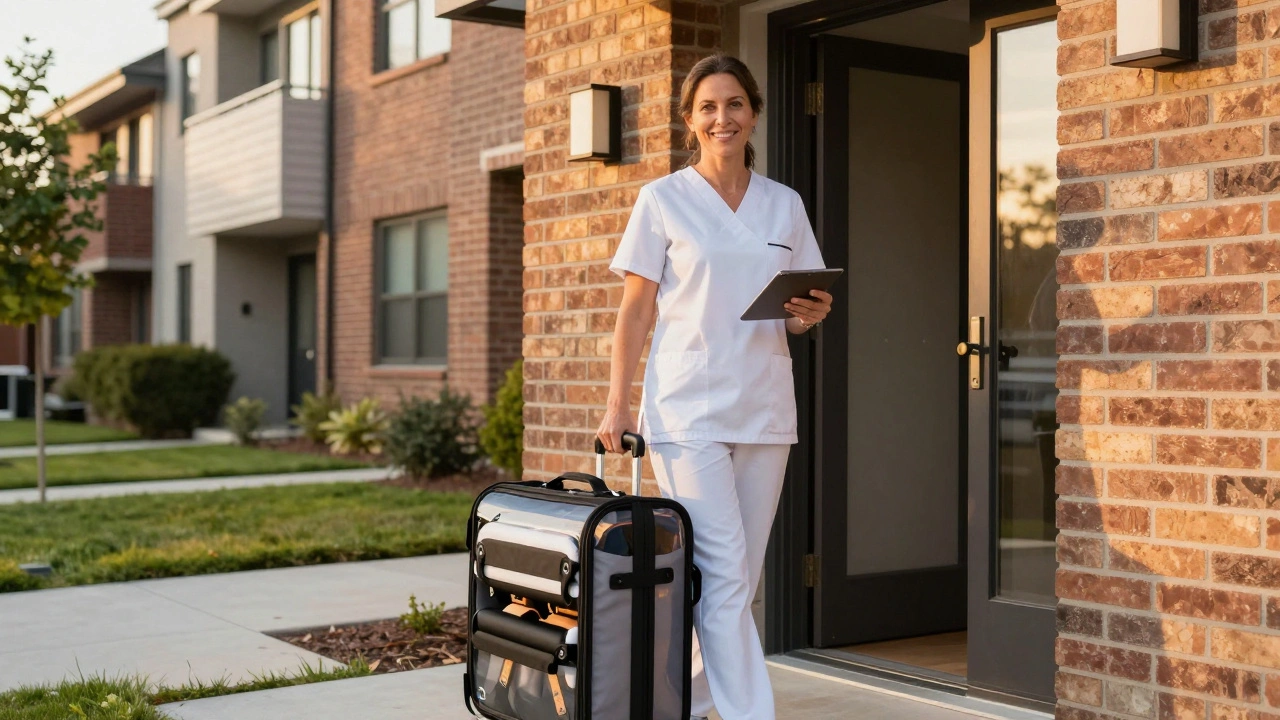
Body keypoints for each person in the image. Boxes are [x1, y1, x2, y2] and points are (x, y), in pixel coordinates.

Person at [596, 53, 833, 720]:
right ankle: (751, 713)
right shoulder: (662, 200)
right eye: (707, 106)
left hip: (763, 405)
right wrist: (616, 404)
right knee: (726, 573)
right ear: (690, 120)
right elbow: (636, 311)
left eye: (734, 104)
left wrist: (811, 314)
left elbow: (799, 309)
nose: (721, 117)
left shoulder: (784, 205)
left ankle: (687, 701)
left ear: (753, 114)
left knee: (738, 579)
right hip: (688, 409)